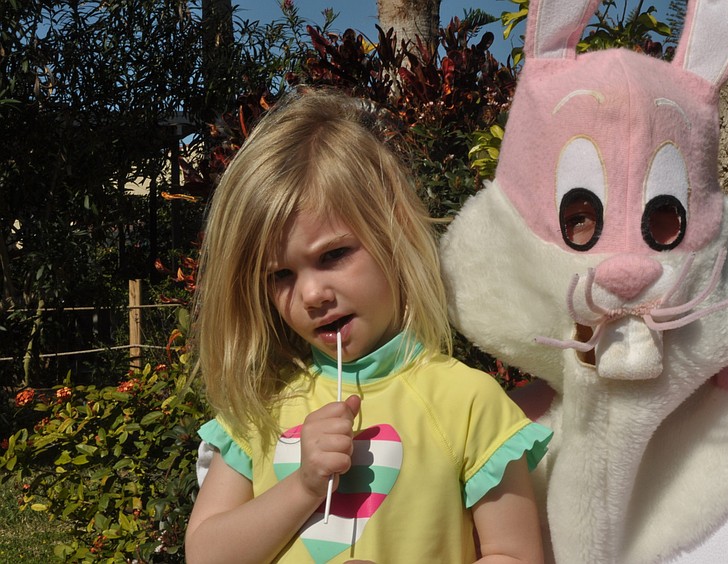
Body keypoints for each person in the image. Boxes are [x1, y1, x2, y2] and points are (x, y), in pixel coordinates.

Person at [184, 89, 552, 564]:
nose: (312, 294)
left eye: (333, 255)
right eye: (281, 275)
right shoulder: (261, 410)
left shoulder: (468, 402)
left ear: (394, 234)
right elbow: (206, 554)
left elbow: (516, 554)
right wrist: (303, 485)